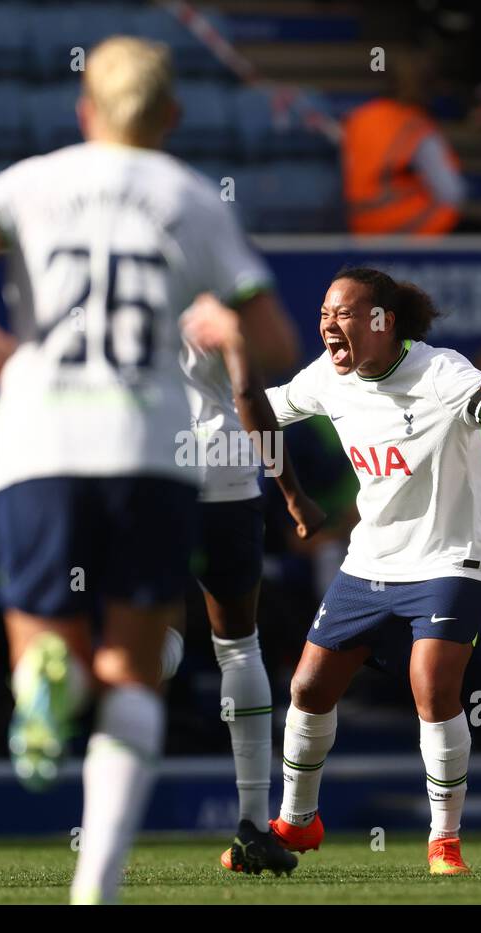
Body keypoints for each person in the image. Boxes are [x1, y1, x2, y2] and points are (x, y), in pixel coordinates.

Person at [0, 36, 297, 904]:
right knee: (136, 669)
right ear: (171, 117)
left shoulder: (29, 182)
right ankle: (96, 889)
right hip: (147, 455)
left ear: (84, 109)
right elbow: (274, 342)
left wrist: (1, 351)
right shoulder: (190, 197)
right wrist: (223, 323)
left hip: (37, 443)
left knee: (58, 652)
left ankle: (53, 680)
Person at [212, 266, 481, 877]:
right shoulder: (327, 379)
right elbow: (260, 410)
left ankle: (444, 843)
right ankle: (299, 824)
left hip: (453, 556)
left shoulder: (440, 373)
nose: (329, 326)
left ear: (384, 322)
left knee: (431, 686)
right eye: (325, 315)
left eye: (345, 315)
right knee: (308, 688)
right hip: (372, 559)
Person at [166, 295, 325, 875]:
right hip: (228, 482)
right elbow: (248, 397)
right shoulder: (219, 306)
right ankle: (254, 825)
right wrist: (291, 490)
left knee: (144, 632)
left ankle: (162, 644)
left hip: (155, 478)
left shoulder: (115, 291)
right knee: (239, 644)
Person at [342, 48, 466, 235]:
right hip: (411, 226)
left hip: (359, 225)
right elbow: (451, 192)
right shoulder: (414, 126)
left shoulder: (359, 117)